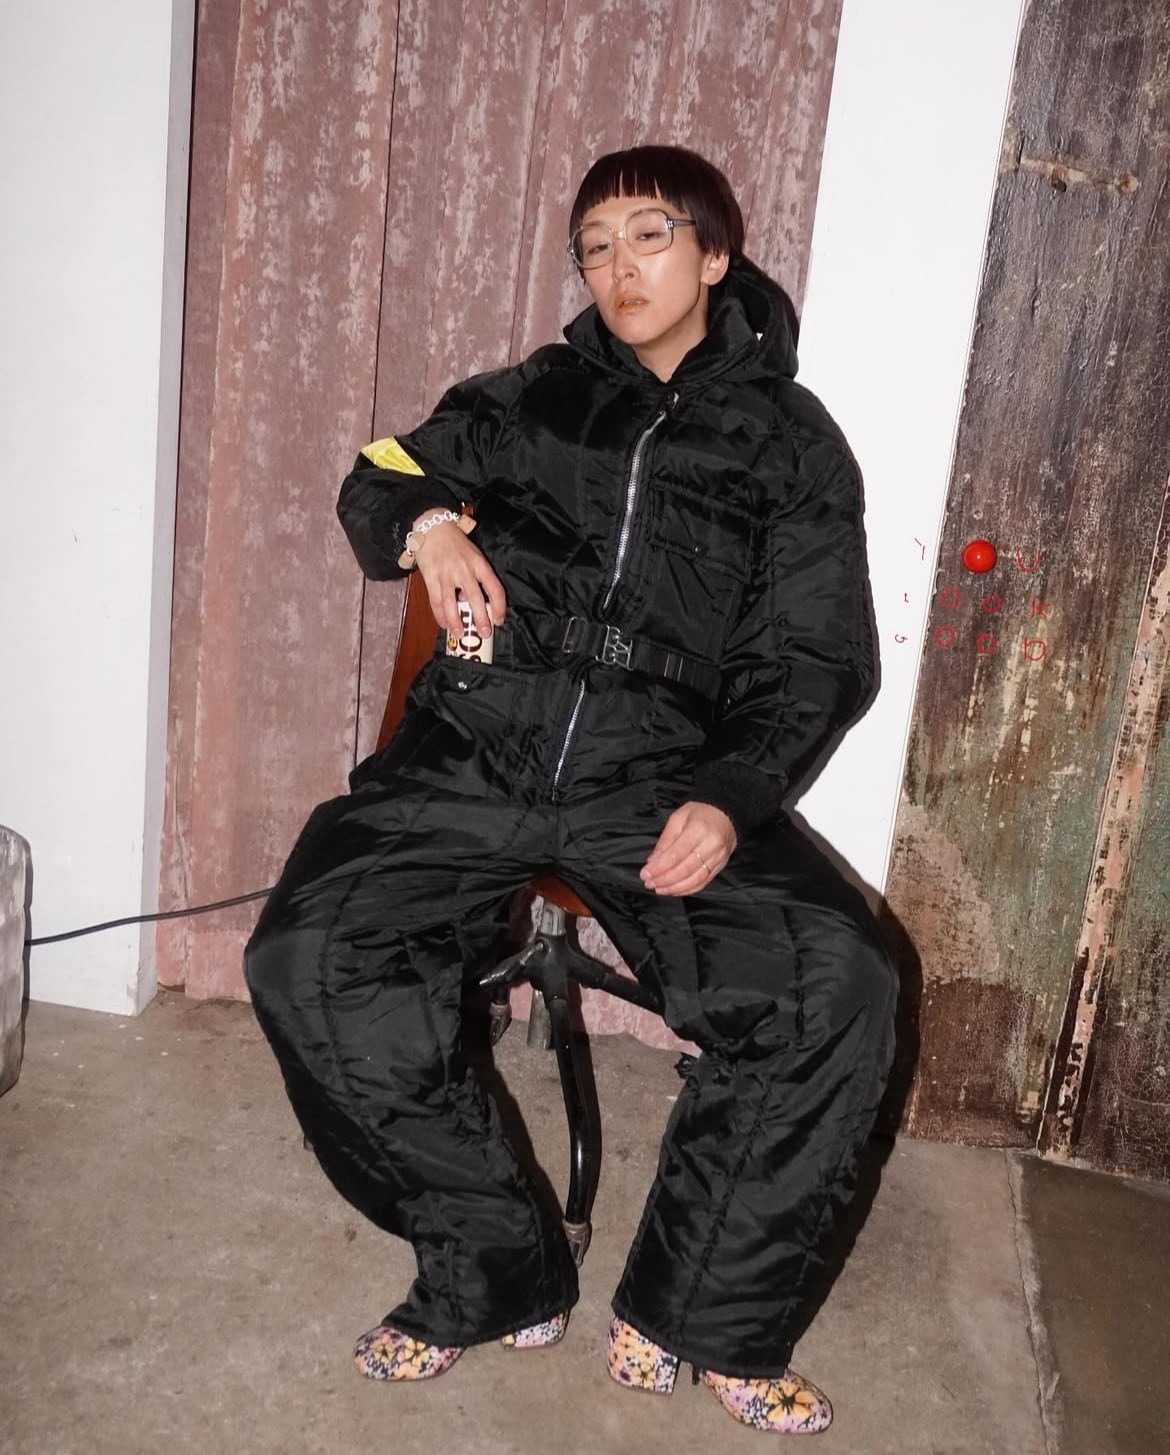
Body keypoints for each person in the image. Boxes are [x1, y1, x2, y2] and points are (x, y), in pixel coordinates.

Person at [245, 145, 896, 1436]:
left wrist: (730, 796)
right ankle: (496, 1269)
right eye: (594, 247)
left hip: (653, 773)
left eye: (648, 236)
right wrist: (428, 525)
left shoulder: (790, 442)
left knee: (836, 979)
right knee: (310, 953)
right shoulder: (531, 395)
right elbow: (381, 465)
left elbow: (815, 658)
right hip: (475, 749)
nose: (617, 268)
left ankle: (697, 1313)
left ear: (715, 255)